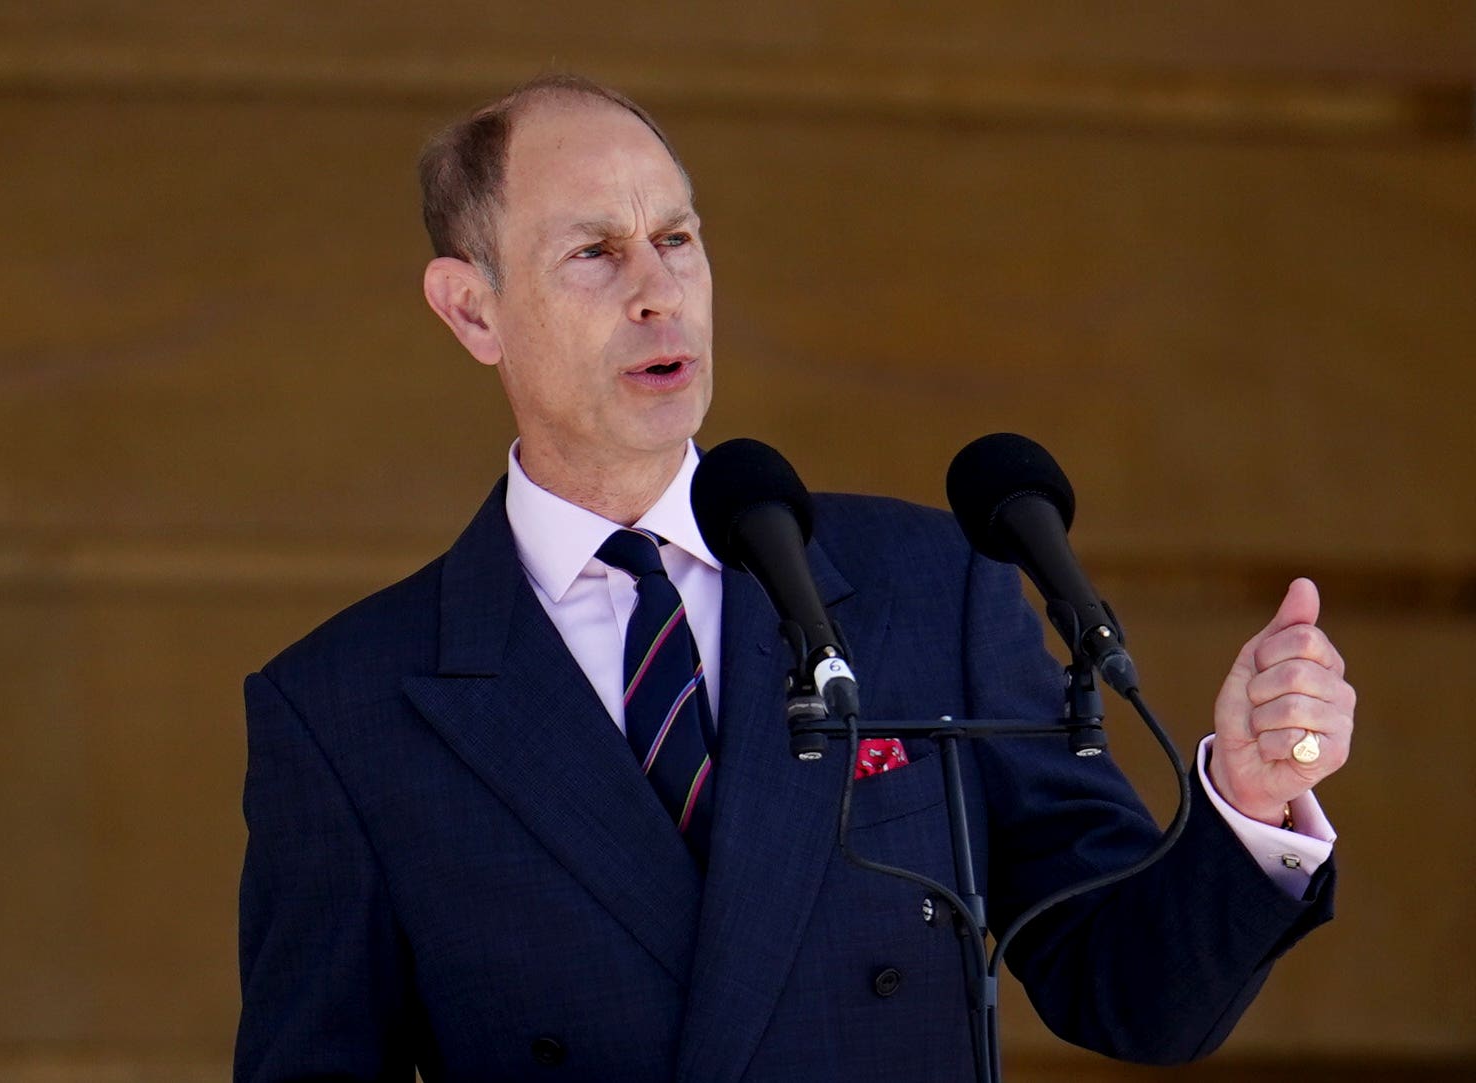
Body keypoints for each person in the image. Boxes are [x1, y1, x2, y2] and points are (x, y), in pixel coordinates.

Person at [235, 74, 1355, 1082]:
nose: (656, 291)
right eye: (594, 253)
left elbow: (1133, 995)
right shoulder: (344, 707)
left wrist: (1248, 805)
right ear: (471, 309)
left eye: (676, 239)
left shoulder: (928, 582)